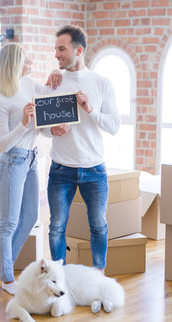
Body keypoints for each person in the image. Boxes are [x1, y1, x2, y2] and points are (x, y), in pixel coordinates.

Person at [47, 25, 120, 271]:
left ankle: (98, 275)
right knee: (57, 226)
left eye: (61, 49)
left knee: (98, 225)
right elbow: (42, 125)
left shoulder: (102, 83)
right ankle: (60, 279)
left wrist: (89, 109)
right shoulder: (54, 81)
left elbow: (114, 126)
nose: (56, 54)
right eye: (56, 49)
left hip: (94, 169)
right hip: (61, 169)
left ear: (78, 50)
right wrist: (51, 130)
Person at [0, 42, 60, 295]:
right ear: (13, 64)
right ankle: (7, 277)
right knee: (8, 223)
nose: (29, 62)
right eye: (25, 59)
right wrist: (22, 122)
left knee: (30, 216)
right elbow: (2, 143)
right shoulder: (0, 100)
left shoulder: (30, 85)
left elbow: (53, 93)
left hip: (31, 159)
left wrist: (56, 73)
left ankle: (5, 264)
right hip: (12, 161)